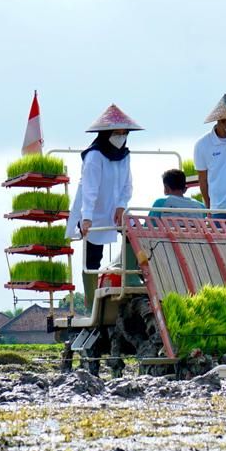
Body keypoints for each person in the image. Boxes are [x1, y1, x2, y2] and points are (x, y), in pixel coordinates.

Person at [66, 104, 143, 310]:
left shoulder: (125, 156)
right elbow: (90, 189)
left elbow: (127, 185)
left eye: (124, 133)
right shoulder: (94, 156)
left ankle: (129, 279)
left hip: (115, 209)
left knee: (132, 236)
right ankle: (92, 301)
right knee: (93, 256)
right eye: (117, 133)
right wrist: (87, 216)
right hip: (95, 211)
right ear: (106, 134)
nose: (121, 136)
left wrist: (121, 205)